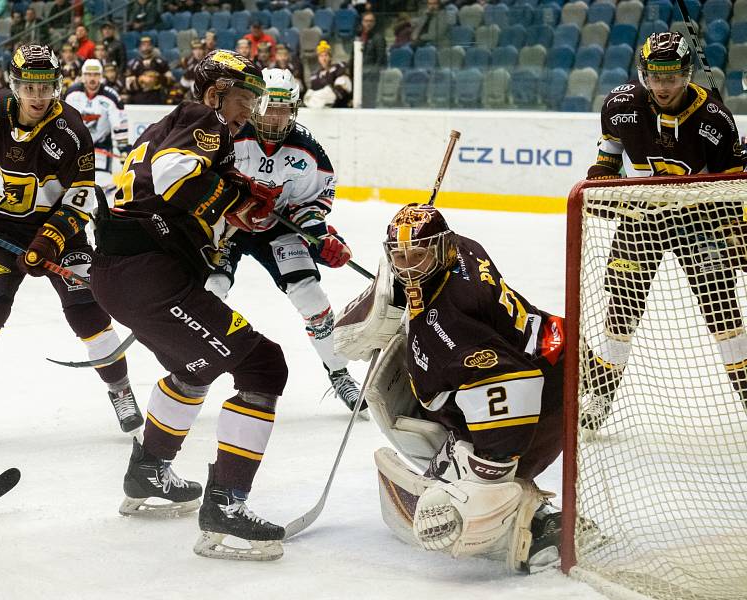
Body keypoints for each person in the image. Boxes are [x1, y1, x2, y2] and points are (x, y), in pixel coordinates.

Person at [90, 50, 287, 560]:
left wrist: (240, 195)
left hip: (128, 275)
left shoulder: (171, 123)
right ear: (215, 92)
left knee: (192, 370)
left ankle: (147, 472)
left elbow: (171, 184)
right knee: (264, 365)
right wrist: (237, 198)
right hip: (149, 275)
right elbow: (176, 176)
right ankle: (226, 505)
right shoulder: (205, 120)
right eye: (242, 98)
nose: (249, 111)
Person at [334, 202, 565, 570]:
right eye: (400, 257)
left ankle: (544, 529)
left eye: (418, 257)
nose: (408, 268)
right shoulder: (463, 247)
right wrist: (393, 289)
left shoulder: (449, 325)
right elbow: (409, 267)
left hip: (543, 398)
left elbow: (509, 384)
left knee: (477, 484)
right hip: (551, 348)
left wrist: (488, 473)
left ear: (441, 248)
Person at [0, 44, 143, 444]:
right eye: (29, 87)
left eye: (46, 87)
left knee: (87, 314)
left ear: (56, 86)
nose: (38, 97)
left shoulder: (72, 131)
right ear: (14, 85)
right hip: (2, 235)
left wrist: (50, 240)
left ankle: (120, 389)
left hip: (62, 236)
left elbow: (82, 196)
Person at [581, 32, 747, 430]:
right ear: (644, 74)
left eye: (672, 76)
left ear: (687, 74)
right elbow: (608, 159)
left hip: (701, 220)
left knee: (724, 315)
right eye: (655, 76)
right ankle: (602, 396)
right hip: (642, 220)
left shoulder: (715, 120)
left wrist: (739, 231)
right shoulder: (620, 106)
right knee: (621, 315)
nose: (664, 85)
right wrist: (601, 181)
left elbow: (735, 184)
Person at [205, 68, 363, 414]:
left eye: (284, 109)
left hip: (278, 227)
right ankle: (193, 368)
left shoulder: (308, 150)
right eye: (269, 108)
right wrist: (226, 207)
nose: (275, 117)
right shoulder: (228, 132)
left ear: (294, 110)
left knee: (310, 294)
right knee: (210, 292)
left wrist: (319, 236)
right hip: (229, 226)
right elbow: (201, 179)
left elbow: (313, 203)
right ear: (257, 104)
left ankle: (338, 372)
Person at [65, 59, 129, 179]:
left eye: (96, 74)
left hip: (101, 146)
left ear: (101, 76)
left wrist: (123, 148)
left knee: (100, 181)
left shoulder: (111, 97)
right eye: (88, 74)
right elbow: (63, 121)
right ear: (83, 76)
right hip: (76, 146)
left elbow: (120, 125)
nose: (92, 78)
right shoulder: (71, 94)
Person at [303, 41, 352, 108]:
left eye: (326, 55)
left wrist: (319, 96)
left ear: (330, 57)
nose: (324, 59)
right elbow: (309, 97)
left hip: (340, 109)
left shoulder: (339, 67)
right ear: (318, 59)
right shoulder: (314, 76)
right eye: (321, 56)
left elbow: (341, 91)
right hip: (321, 112)